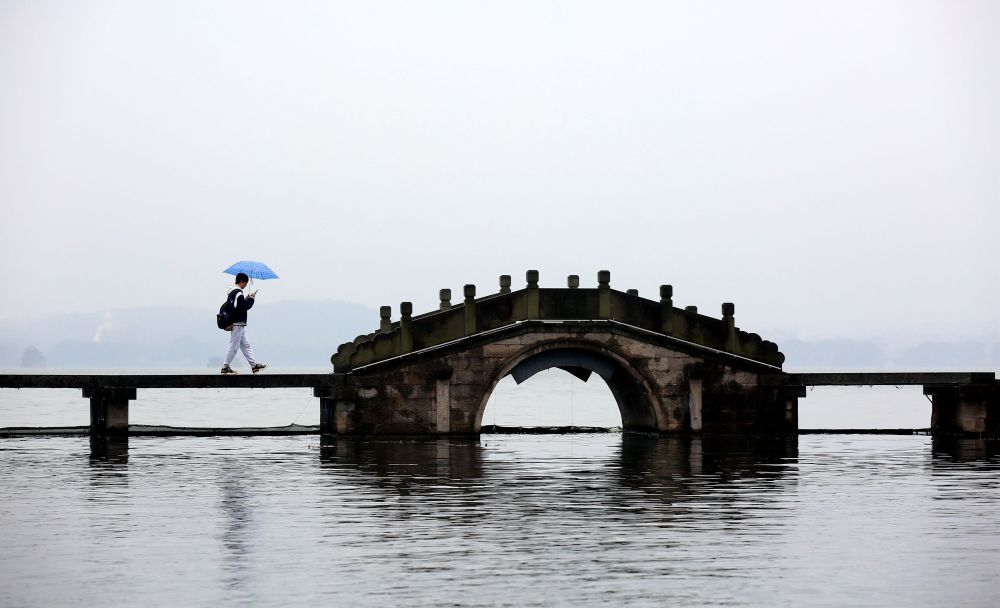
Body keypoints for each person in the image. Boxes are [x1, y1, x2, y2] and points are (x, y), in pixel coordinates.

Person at [221, 272, 267, 374]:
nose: (246, 285)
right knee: (234, 345)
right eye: (245, 283)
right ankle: (225, 367)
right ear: (242, 281)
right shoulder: (238, 292)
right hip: (238, 323)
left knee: (246, 345)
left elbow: (238, 305)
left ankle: (254, 366)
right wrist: (252, 299)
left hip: (239, 323)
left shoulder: (233, 292)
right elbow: (244, 307)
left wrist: (246, 298)